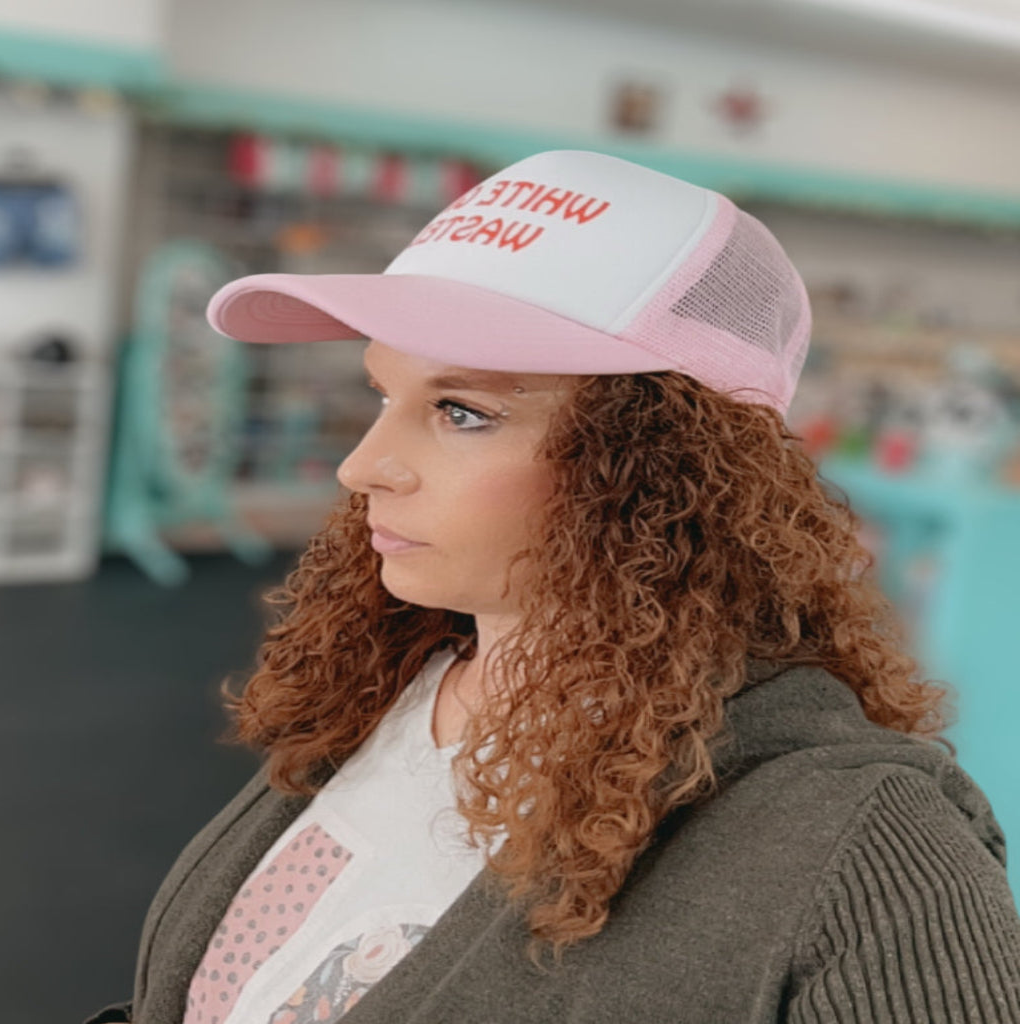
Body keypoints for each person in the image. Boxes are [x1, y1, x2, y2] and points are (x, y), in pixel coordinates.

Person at [88, 150, 1020, 1024]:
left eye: (463, 411)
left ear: (663, 465)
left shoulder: (862, 849)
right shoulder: (392, 693)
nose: (362, 465)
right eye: (382, 394)